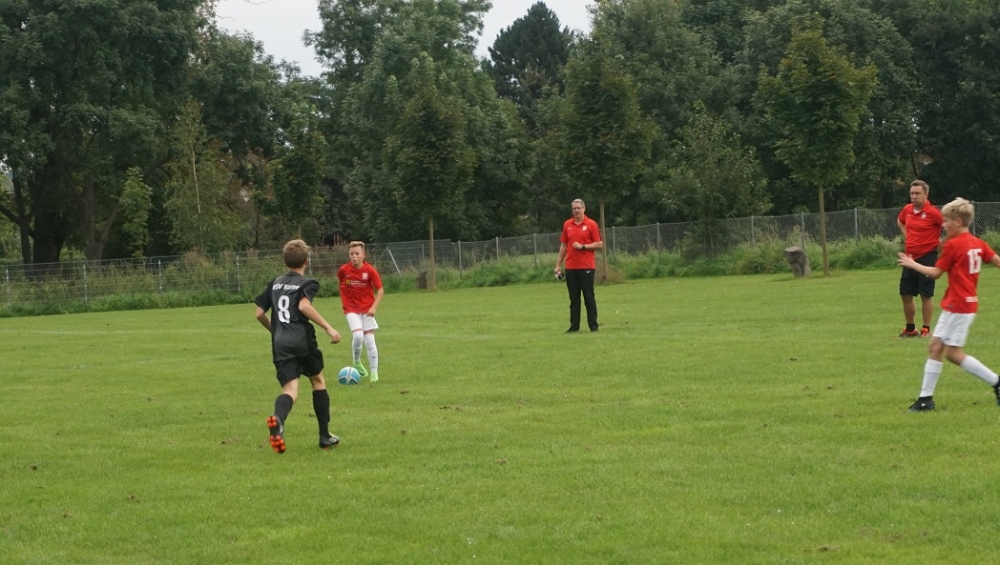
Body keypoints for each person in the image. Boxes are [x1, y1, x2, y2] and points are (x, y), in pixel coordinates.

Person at [897, 198, 1000, 412]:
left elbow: (936, 273)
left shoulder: (954, 245)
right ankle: (925, 399)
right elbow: (997, 261)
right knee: (935, 347)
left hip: (959, 306)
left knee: (952, 354)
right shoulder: (978, 242)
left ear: (958, 221)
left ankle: (996, 382)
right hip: (960, 305)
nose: (943, 225)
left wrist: (912, 263)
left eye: (946, 221)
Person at [254, 239, 342, 453]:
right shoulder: (307, 283)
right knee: (317, 380)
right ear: (306, 261)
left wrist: (275, 331)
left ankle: (278, 419)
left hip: (280, 343)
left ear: (285, 261)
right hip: (302, 340)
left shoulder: (275, 283)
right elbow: (304, 306)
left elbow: (259, 313)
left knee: (290, 390)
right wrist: (329, 328)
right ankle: (324, 436)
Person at [897, 180, 943, 337]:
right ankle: (910, 329)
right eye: (912, 193)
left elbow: (951, 228)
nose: (914, 196)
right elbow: (900, 221)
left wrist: (940, 246)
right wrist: (908, 236)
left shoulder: (933, 213)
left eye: (917, 193)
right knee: (905, 293)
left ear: (926, 194)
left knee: (926, 295)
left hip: (927, 257)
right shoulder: (907, 210)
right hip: (909, 259)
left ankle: (926, 329)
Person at [554, 198, 603, 333]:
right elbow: (564, 245)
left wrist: (583, 246)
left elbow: (599, 244)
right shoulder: (567, 225)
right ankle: (574, 326)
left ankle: (593, 326)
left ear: (584, 208)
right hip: (571, 267)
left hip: (586, 266)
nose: (576, 210)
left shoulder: (591, 224)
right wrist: (558, 265)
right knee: (574, 299)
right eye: (574, 208)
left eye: (578, 208)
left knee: (589, 297)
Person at [337, 241, 384, 383]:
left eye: (357, 253)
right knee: (358, 336)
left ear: (364, 255)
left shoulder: (370, 271)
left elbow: (380, 290)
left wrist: (373, 307)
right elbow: (340, 284)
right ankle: (356, 361)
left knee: (369, 340)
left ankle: (374, 373)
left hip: (367, 309)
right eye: (351, 254)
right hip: (351, 309)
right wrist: (345, 300)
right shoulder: (344, 270)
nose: (354, 256)